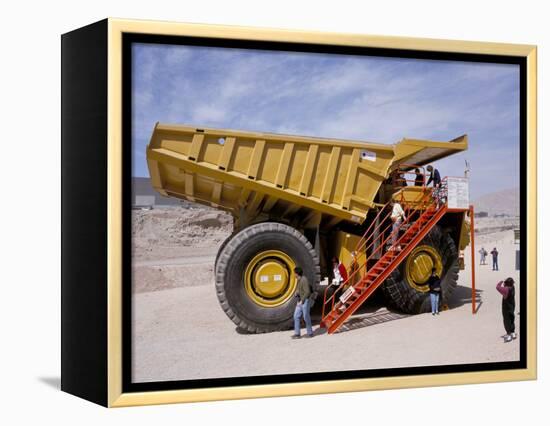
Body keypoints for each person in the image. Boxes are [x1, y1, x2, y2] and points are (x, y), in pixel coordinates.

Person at [291, 266, 313, 339]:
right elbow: (299, 289)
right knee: (296, 316)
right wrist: (296, 293)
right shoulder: (299, 280)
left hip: (305, 300)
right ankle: (297, 334)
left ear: (297, 273)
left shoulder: (304, 280)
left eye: (294, 273)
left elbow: (307, 292)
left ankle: (310, 333)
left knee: (306, 317)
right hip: (300, 301)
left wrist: (302, 301)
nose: (294, 274)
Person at [496, 278, 516, 342]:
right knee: (512, 319)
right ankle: (513, 333)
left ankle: (509, 335)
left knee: (506, 321)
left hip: (506, 307)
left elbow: (497, 287)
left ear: (506, 284)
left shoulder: (505, 289)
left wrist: (501, 282)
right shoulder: (513, 287)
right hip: (512, 305)